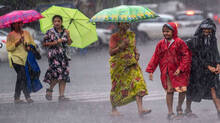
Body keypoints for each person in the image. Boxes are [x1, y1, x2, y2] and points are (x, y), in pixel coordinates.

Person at [146, 22, 191, 120]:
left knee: (182, 90)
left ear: (173, 31)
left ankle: (179, 107)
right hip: (167, 71)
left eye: (168, 31)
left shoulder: (180, 42)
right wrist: (151, 70)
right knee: (170, 91)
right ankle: (170, 112)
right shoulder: (161, 44)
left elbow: (186, 56)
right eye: (164, 31)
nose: (165, 33)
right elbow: (155, 57)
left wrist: (181, 68)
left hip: (180, 72)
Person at [109, 22, 151, 117]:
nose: (125, 26)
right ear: (118, 25)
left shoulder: (131, 35)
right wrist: (121, 46)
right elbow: (111, 52)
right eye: (122, 24)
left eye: (127, 24)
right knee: (117, 86)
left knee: (138, 83)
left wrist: (136, 53)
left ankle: (140, 109)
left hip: (132, 64)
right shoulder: (114, 37)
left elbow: (134, 48)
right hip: (119, 66)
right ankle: (114, 109)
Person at [185, 18, 220, 119]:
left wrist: (218, 64)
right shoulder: (196, 40)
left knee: (215, 90)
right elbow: (197, 56)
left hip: (211, 70)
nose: (206, 31)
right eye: (204, 29)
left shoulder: (213, 39)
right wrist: (208, 66)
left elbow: (215, 52)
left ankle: (219, 110)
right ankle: (187, 109)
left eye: (208, 29)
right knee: (192, 90)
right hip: (198, 70)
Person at [43, 15, 72, 102]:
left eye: (59, 21)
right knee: (56, 74)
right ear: (53, 23)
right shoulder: (50, 32)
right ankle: (50, 89)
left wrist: (68, 35)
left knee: (64, 75)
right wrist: (56, 42)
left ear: (61, 22)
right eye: (55, 21)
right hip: (54, 56)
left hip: (64, 56)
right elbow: (44, 43)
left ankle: (61, 96)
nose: (57, 23)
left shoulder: (65, 31)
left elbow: (69, 43)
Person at [6, 21, 36, 104]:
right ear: (13, 25)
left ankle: (17, 97)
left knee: (21, 77)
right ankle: (27, 97)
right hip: (15, 58)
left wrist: (29, 47)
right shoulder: (10, 35)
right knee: (22, 76)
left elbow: (33, 44)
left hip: (24, 58)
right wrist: (18, 42)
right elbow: (9, 48)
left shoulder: (26, 33)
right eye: (16, 23)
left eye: (20, 23)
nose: (19, 25)